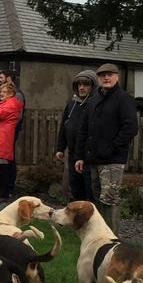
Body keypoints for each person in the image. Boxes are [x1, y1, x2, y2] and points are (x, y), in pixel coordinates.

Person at [74, 62, 138, 232]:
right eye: (103, 75)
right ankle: (98, 236)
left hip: (112, 160)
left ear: (117, 77)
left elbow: (131, 128)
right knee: (96, 199)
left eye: (110, 75)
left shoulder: (124, 99)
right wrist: (80, 155)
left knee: (109, 199)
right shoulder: (94, 99)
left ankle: (112, 239)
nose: (106, 78)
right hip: (93, 159)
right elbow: (84, 129)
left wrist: (112, 147)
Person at [55, 70, 98, 202]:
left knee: (89, 189)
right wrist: (60, 148)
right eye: (79, 84)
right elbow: (64, 126)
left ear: (93, 87)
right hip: (73, 153)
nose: (82, 87)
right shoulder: (72, 104)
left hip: (89, 154)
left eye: (86, 84)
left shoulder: (95, 104)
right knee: (74, 187)